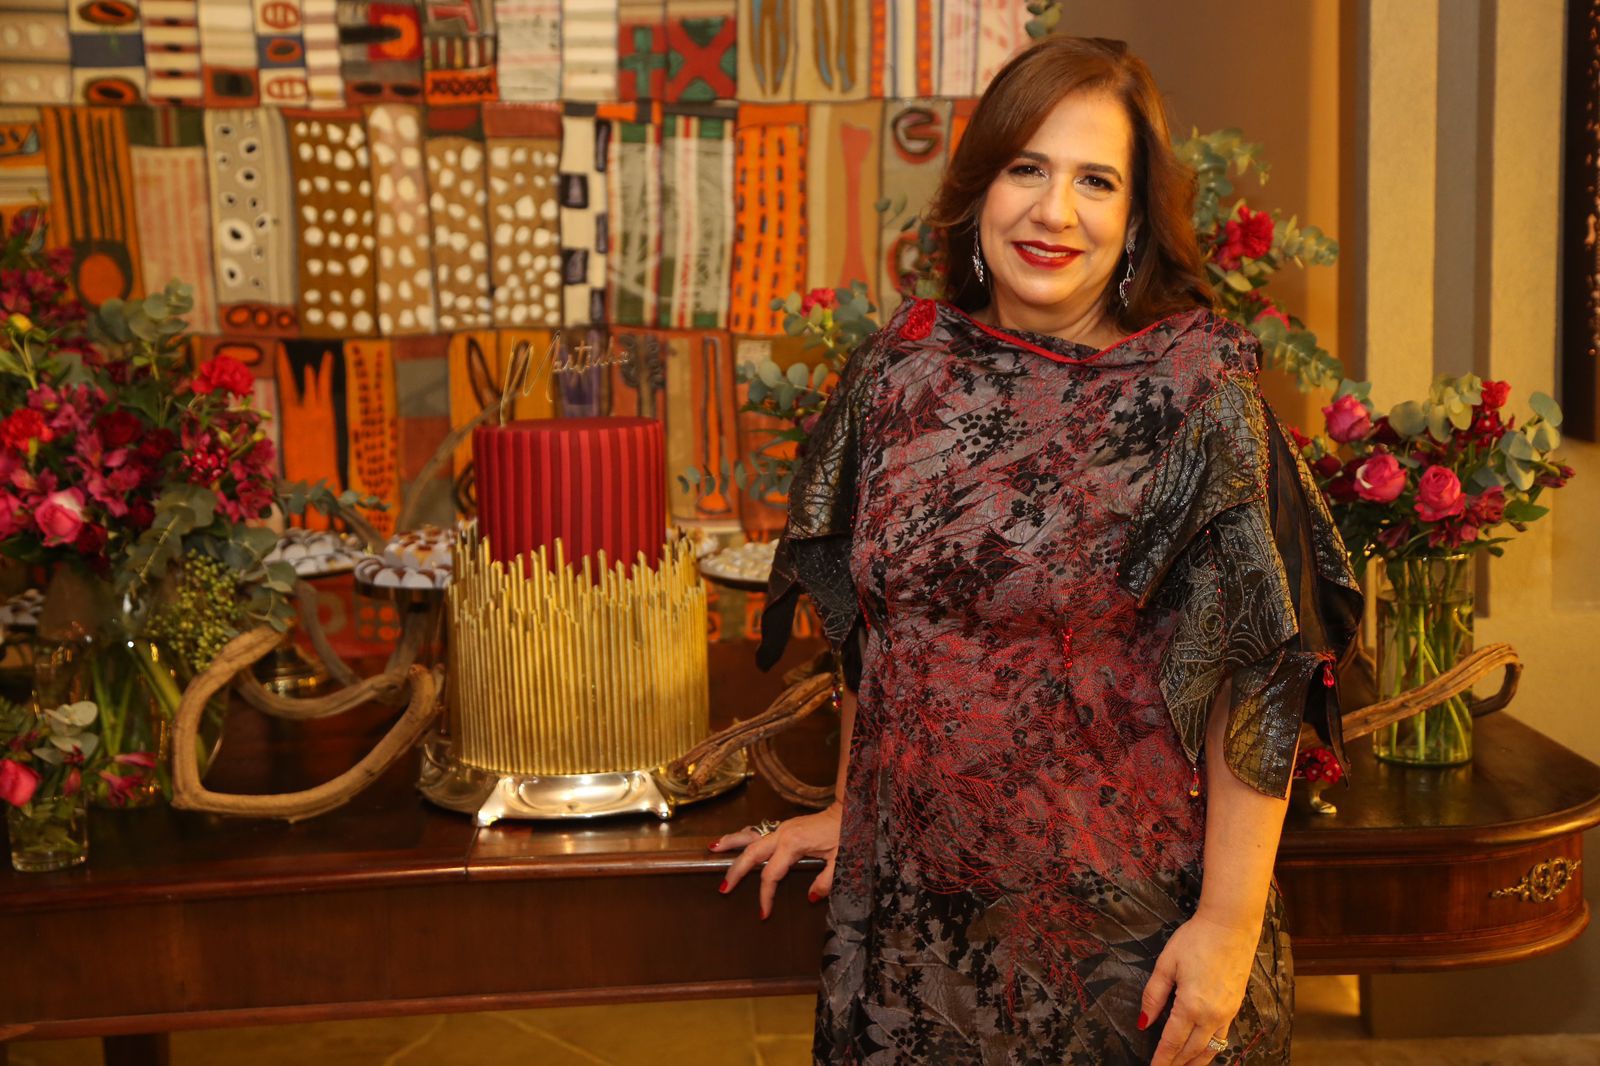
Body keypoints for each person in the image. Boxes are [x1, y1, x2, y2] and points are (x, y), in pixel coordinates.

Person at [712, 35, 1361, 1066]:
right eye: (1027, 168)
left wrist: (1229, 926)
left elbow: (1261, 676)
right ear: (979, 188)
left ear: (1136, 219)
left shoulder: (1195, 397)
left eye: (1095, 181)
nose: (1054, 211)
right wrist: (853, 802)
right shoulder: (899, 372)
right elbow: (873, 631)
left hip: (1122, 945)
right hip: (910, 937)